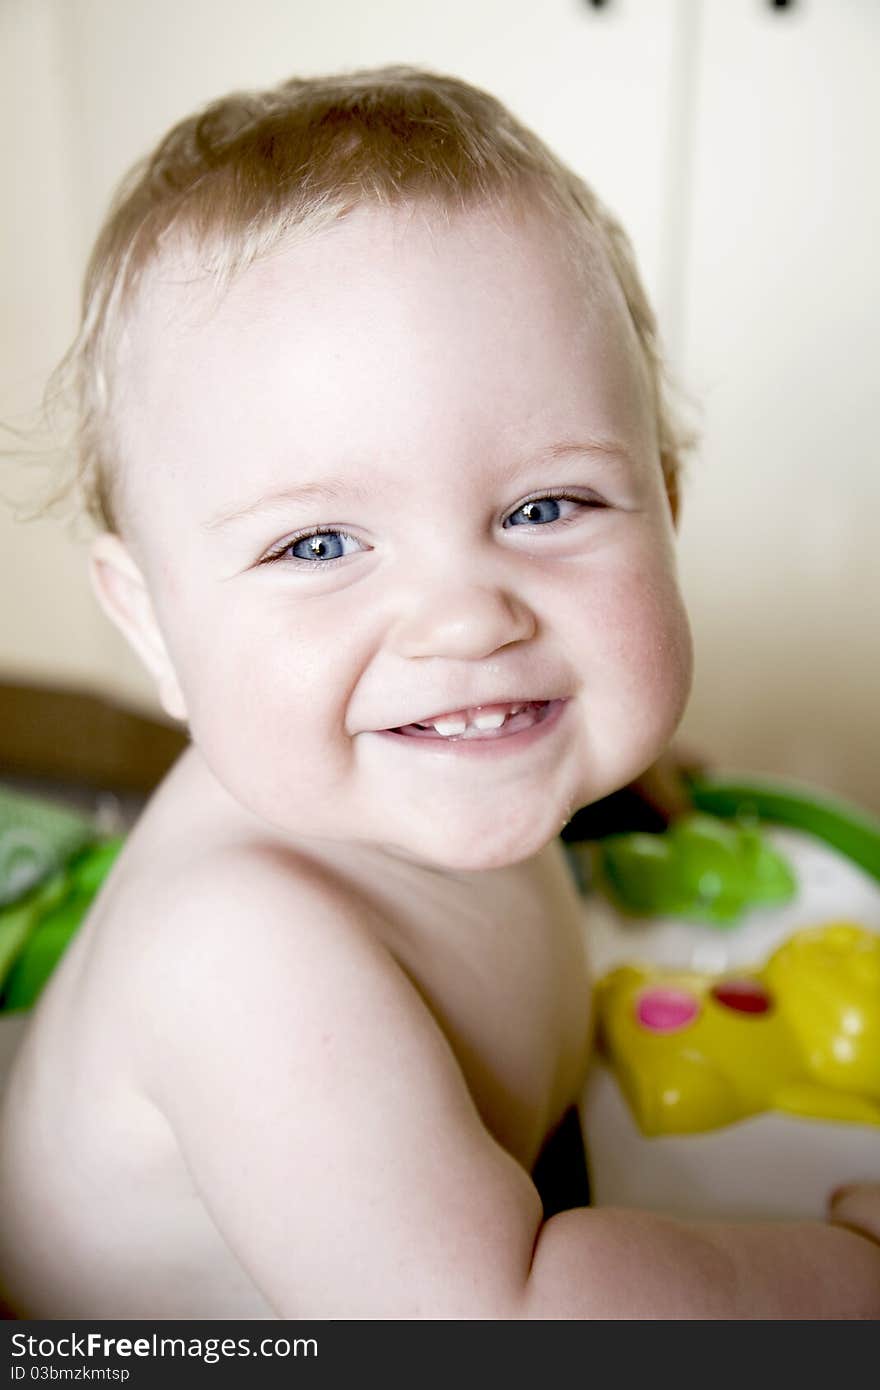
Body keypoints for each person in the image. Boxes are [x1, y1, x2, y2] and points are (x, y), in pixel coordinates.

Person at [1, 66, 877, 1320]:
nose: (465, 615)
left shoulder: (417, 761)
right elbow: (505, 1323)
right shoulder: (242, 958)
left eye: (544, 507)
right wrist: (848, 1278)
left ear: (665, 506)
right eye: (317, 545)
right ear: (151, 621)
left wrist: (608, 772)